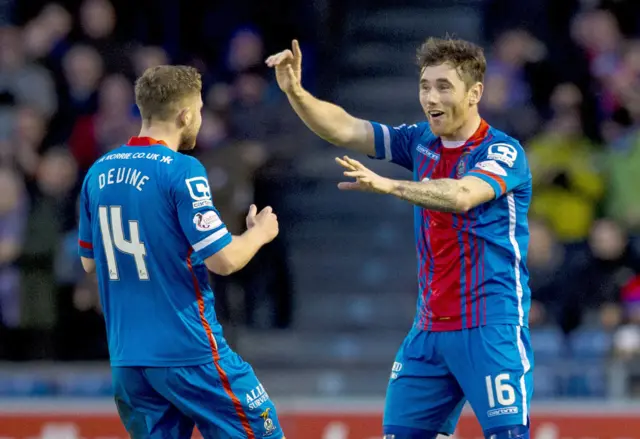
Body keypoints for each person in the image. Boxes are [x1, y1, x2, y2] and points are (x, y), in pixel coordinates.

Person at [267, 38, 533, 439]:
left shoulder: (502, 152)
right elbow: (346, 128)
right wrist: (296, 92)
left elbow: (461, 195)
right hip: (428, 332)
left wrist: (389, 186)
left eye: (444, 86)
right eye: (425, 86)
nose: (431, 97)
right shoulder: (420, 141)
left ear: (475, 93)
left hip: (489, 325)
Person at [78, 65, 284, 439]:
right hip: (189, 352)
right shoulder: (181, 170)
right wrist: (259, 234)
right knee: (264, 431)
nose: (201, 119)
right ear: (186, 113)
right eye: (200, 110)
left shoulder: (97, 172)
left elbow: (90, 262)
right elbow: (224, 260)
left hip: (129, 360)